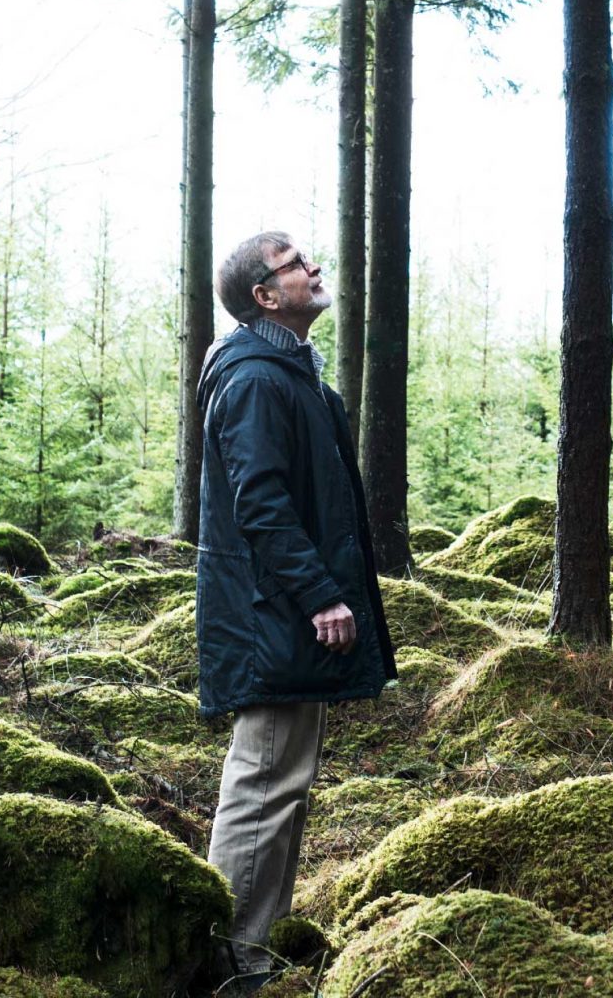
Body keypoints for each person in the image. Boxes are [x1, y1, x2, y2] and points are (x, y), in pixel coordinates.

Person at [195, 231, 396, 989]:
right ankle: (230, 962)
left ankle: (258, 945)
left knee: (288, 779)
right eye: (294, 263)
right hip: (270, 613)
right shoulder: (254, 378)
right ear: (265, 295)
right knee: (264, 778)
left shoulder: (293, 374)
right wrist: (320, 595)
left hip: (281, 609)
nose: (314, 268)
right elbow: (262, 503)